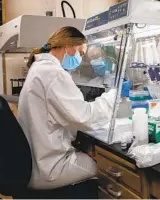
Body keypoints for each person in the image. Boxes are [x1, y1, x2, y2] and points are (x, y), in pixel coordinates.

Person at [17, 26, 117, 197]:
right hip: (50, 167)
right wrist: (114, 95)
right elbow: (85, 118)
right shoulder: (53, 74)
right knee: (102, 165)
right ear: (69, 45)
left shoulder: (39, 69)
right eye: (80, 51)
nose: (80, 57)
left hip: (36, 160)